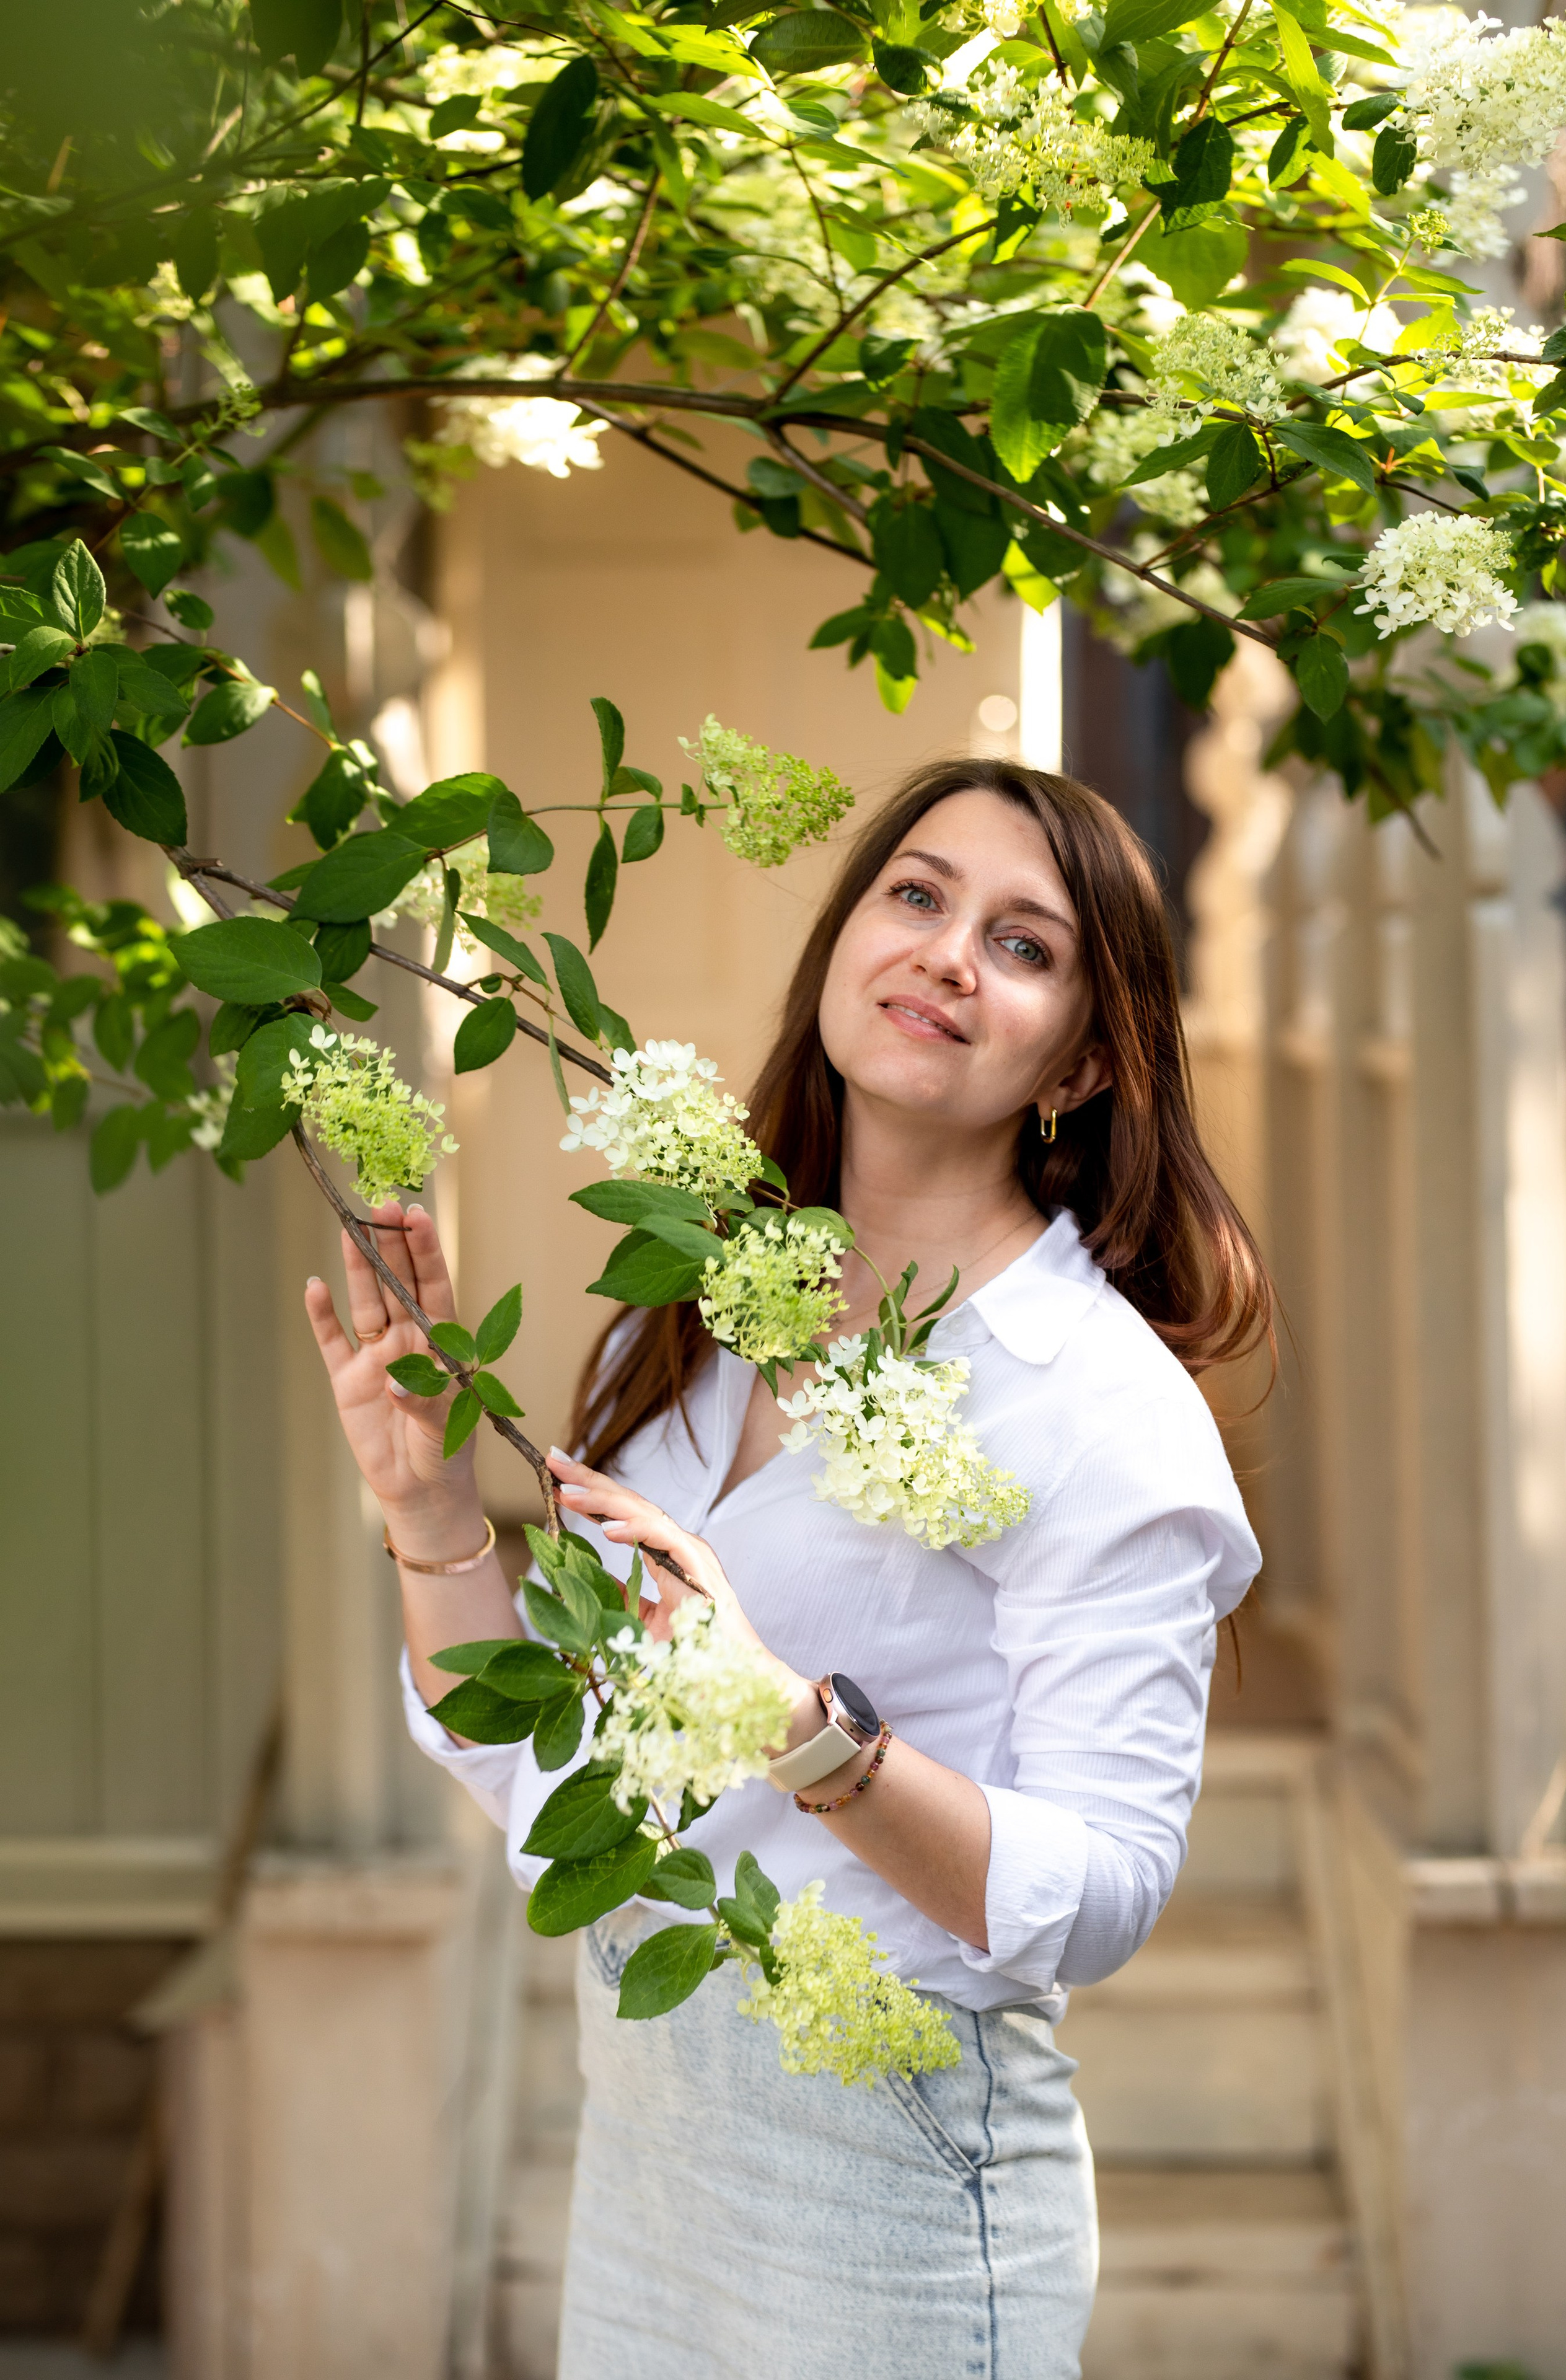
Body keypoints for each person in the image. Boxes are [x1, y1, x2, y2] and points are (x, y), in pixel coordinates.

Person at [305, 757, 1269, 2380]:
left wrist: (794, 1722)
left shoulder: (1095, 1409)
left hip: (893, 2175)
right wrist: (430, 1512)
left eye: (1023, 945)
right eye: (917, 895)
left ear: (1085, 1063)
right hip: (648, 2138)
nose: (951, 954)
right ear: (843, 941)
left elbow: (1103, 1895)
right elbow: (555, 1781)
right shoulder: (682, 1321)